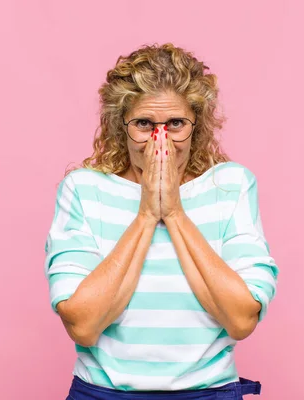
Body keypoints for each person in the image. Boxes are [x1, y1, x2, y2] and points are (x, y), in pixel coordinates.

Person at [44, 43, 279, 400]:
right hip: (103, 394)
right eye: (143, 123)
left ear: (196, 126)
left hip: (206, 393)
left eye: (175, 123)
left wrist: (173, 212)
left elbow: (241, 320)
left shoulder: (230, 186)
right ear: (120, 126)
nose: (160, 139)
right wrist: (146, 215)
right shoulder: (82, 189)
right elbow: (84, 325)